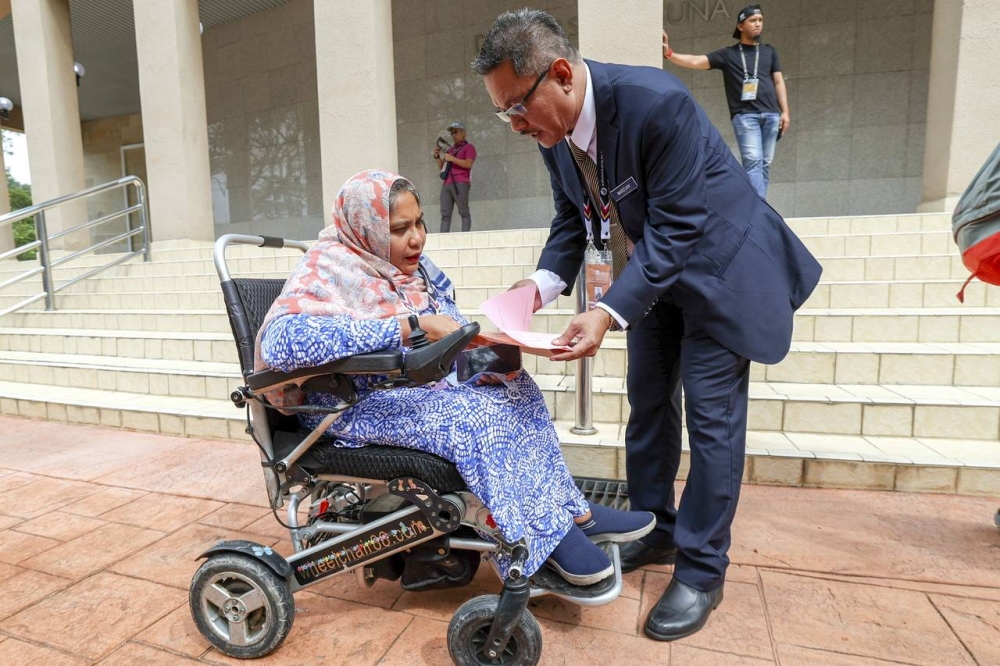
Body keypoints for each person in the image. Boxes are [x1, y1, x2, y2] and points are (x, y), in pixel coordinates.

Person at [473, 9, 821, 640]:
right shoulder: (555, 137)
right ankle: (656, 529)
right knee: (648, 405)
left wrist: (606, 311)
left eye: (517, 109)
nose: (515, 126)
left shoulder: (654, 102)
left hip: (719, 272)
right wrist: (535, 290)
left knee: (713, 422)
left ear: (559, 75)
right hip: (653, 281)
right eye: (506, 115)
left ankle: (702, 570)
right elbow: (570, 222)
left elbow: (681, 225)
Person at [255, 169, 656, 586]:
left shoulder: (413, 270)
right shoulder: (329, 267)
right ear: (366, 229)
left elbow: (448, 326)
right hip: (350, 404)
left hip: (408, 387)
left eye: (420, 222)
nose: (417, 238)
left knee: (514, 389)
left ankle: (572, 511)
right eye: (399, 228)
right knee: (476, 420)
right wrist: (409, 326)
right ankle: (540, 544)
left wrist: (490, 353)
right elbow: (283, 343)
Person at [662, 4, 789, 198]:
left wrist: (785, 112)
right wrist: (669, 54)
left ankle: (759, 204)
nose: (758, 24)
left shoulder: (769, 51)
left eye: (760, 20)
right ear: (740, 25)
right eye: (753, 20)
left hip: (772, 115)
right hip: (746, 116)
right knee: (753, 161)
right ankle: (760, 207)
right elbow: (697, 61)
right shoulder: (729, 54)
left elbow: (778, 81)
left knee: (764, 163)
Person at [433, 121, 477, 232]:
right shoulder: (451, 150)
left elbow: (468, 164)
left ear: (463, 133)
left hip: (461, 182)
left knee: (464, 212)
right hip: (447, 183)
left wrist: (452, 158)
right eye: (452, 133)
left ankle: (466, 238)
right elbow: (443, 168)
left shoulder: (469, 147)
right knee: (445, 214)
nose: (453, 135)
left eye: (455, 132)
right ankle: (443, 239)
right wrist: (437, 157)